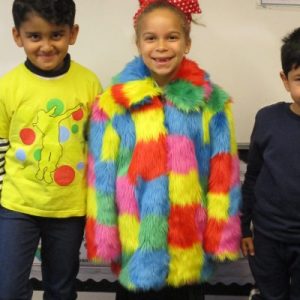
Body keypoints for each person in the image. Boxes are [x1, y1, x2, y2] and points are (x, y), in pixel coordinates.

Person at [86, 0, 241, 299]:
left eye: (171, 37)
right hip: (137, 248)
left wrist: (220, 236)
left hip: (189, 248)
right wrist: (104, 237)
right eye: (151, 38)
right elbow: (101, 177)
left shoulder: (212, 103)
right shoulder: (113, 104)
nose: (161, 47)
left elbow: (225, 176)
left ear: (187, 42)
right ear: (138, 42)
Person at [0, 0, 101, 298]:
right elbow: (1, 142)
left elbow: (98, 147)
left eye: (56, 34)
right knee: (8, 289)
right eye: (34, 36)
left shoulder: (89, 84)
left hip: (69, 208)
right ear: (17, 36)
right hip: (17, 206)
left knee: (61, 287)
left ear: (73, 33)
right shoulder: (8, 86)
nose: (46, 45)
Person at [241, 27, 300, 300]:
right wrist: (243, 228)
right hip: (267, 237)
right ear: (285, 81)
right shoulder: (267, 119)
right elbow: (252, 177)